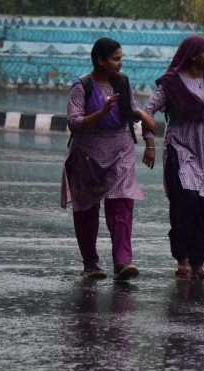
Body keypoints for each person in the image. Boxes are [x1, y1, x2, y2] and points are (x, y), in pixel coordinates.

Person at [61, 37, 157, 280]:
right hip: (88, 154)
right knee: (86, 209)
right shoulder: (82, 87)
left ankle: (122, 261)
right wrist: (101, 112)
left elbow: (131, 108)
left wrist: (144, 124)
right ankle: (90, 263)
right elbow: (74, 122)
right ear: (100, 60)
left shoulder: (122, 83)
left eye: (121, 59)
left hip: (121, 148)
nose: (120, 64)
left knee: (123, 201)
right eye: (116, 59)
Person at [143, 35, 204, 280]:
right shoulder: (171, 83)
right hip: (182, 146)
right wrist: (150, 143)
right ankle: (183, 258)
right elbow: (148, 111)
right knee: (185, 200)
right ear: (192, 55)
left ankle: (199, 261)